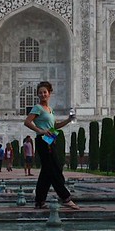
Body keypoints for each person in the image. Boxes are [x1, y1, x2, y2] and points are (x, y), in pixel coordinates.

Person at [24, 81, 79, 209]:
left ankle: (39, 201)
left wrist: (68, 120)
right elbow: (27, 122)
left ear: (49, 93)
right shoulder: (37, 108)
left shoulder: (49, 110)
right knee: (54, 170)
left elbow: (54, 126)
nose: (42, 95)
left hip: (50, 140)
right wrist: (40, 130)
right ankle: (65, 197)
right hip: (43, 140)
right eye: (40, 93)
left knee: (47, 172)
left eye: (44, 92)